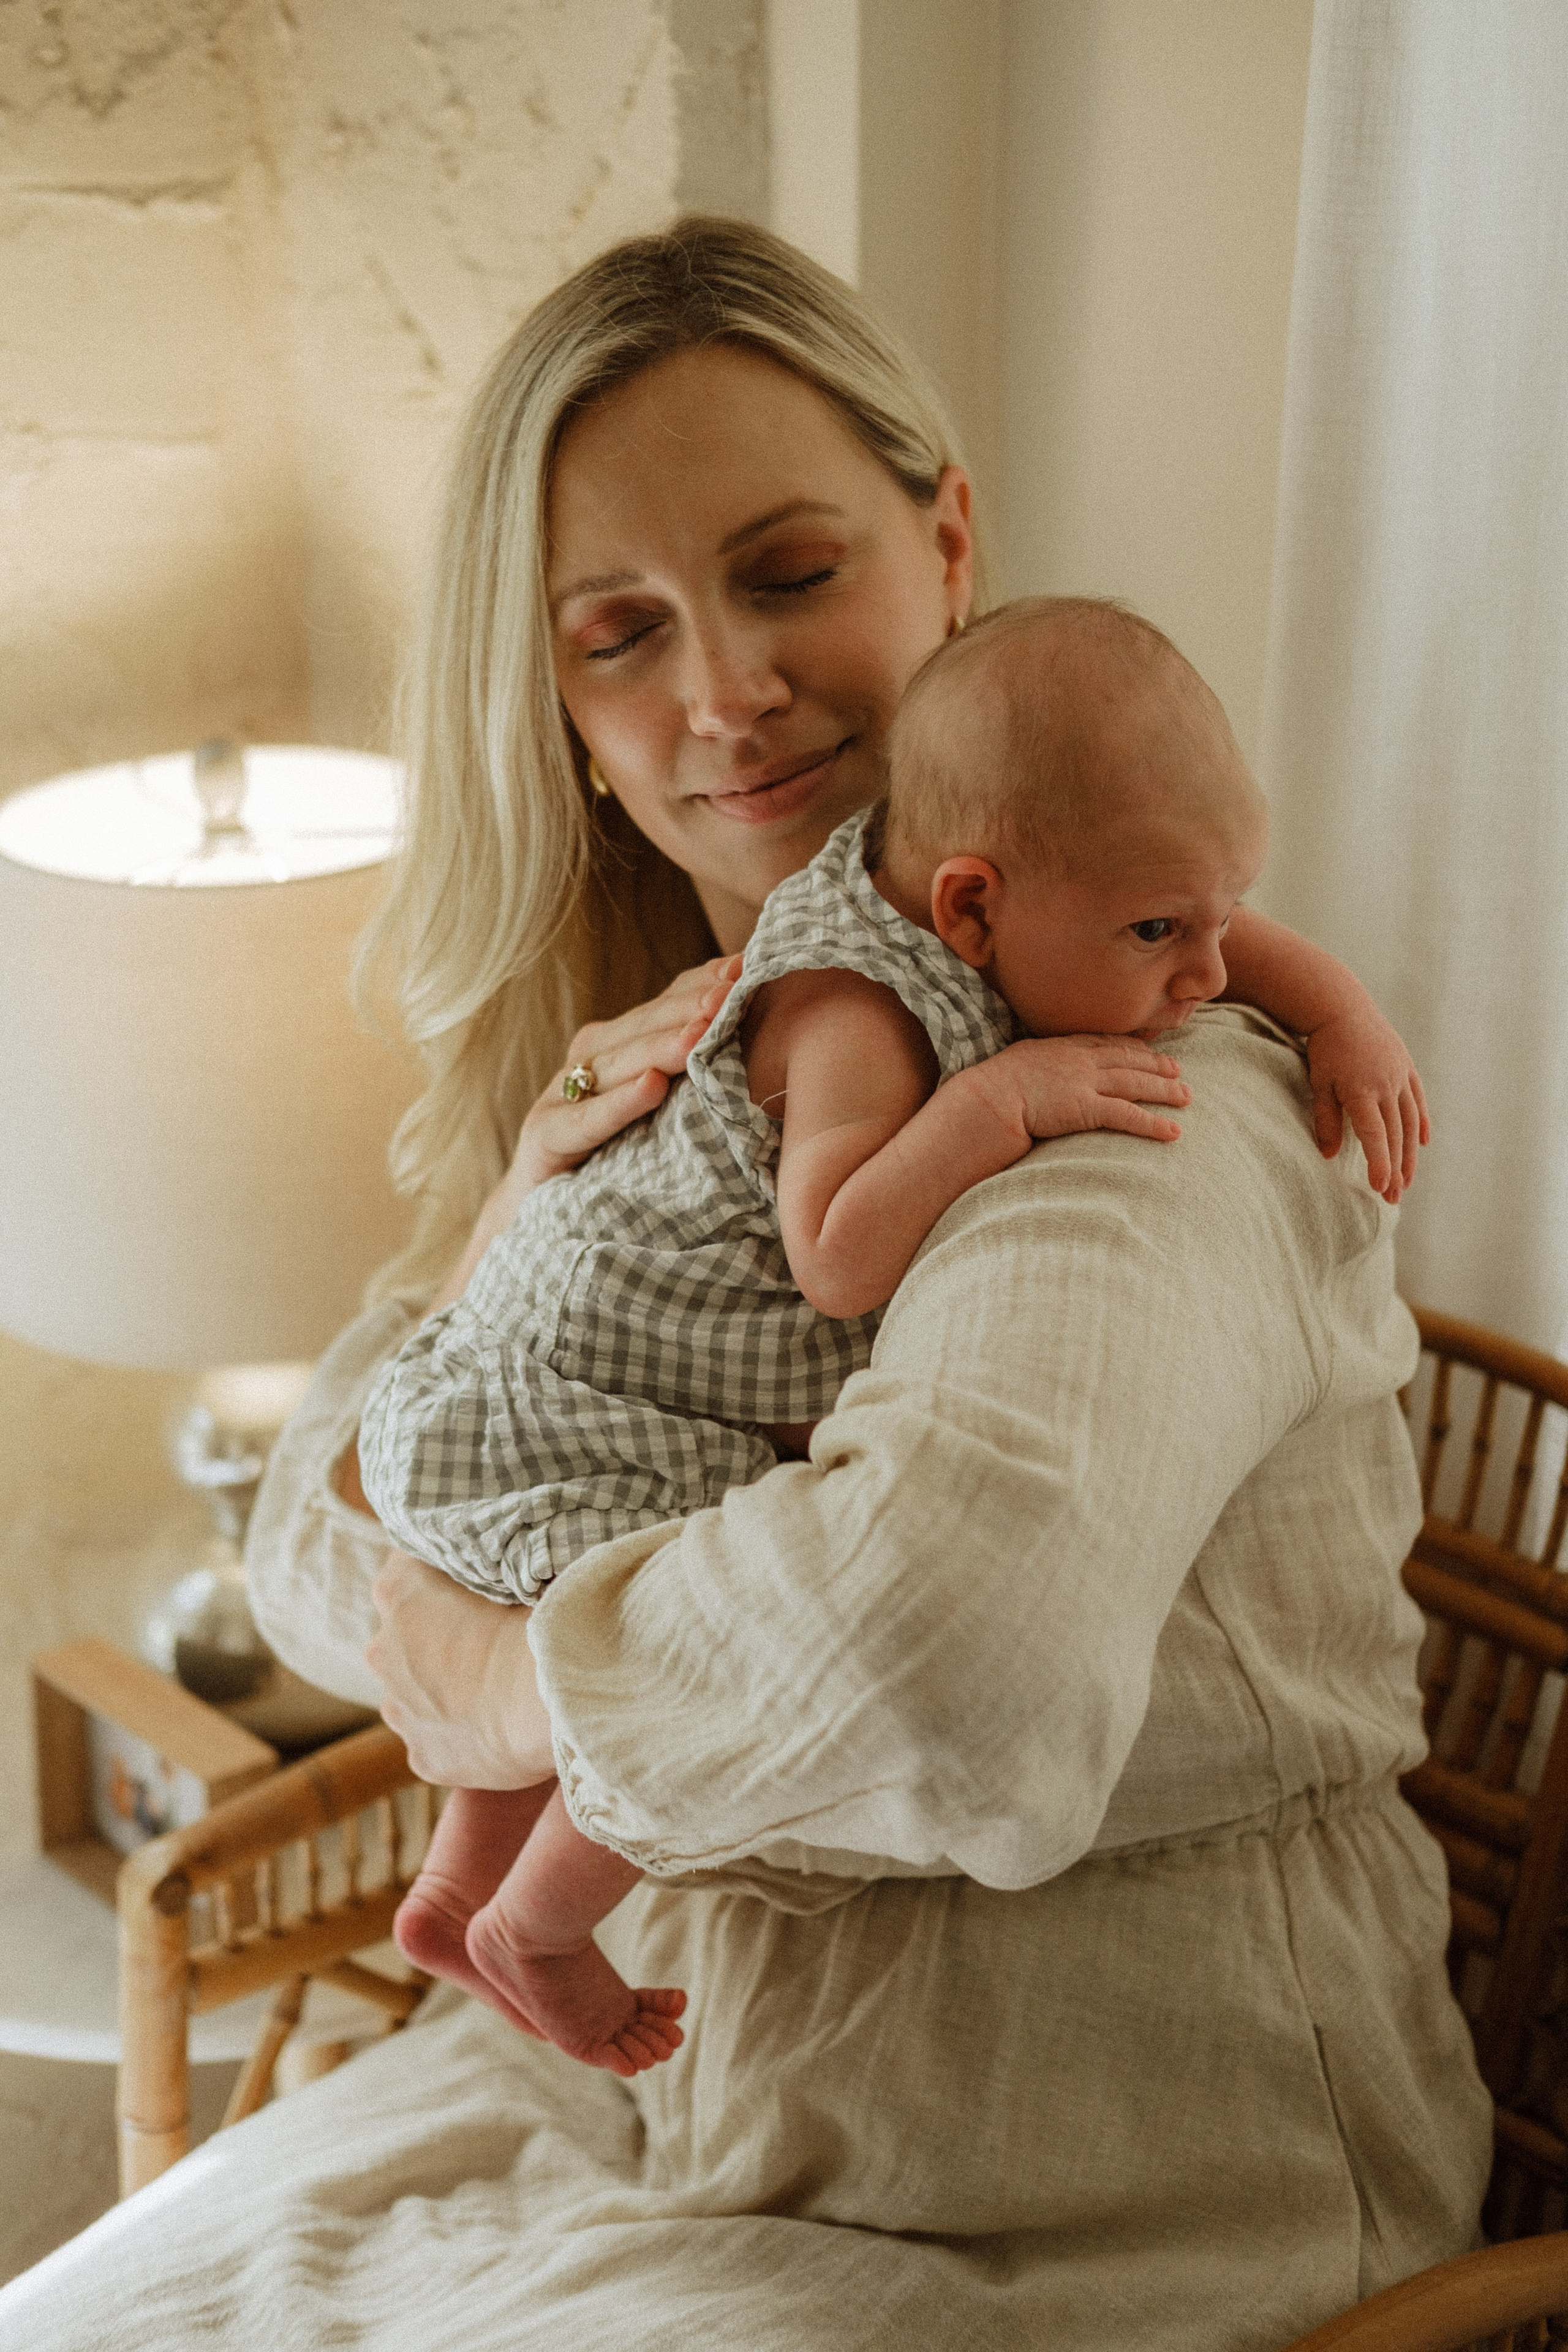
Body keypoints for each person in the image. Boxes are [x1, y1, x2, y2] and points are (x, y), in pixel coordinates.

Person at [0, 220, 1487, 2352]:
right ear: (563, 703)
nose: (722, 694)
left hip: (1093, 2196)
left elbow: (938, 1654)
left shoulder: (1146, 1097)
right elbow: (349, 1503)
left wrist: (508, 1676)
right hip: (651, 2109)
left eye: (790, 576)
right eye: (620, 635)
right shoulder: (668, 1061)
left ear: (946, 539)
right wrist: (512, 1233)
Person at [358, 593, 1428, 2081]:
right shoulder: (856, 1011)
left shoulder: (1050, 873)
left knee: (555, 1641)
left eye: (1218, 919)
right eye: (1158, 935)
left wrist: (1345, 1018)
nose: (1201, 979)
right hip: (579, 1394)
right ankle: (536, 1925)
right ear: (974, 909)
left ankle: (453, 1888)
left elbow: (1211, 929)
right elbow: (838, 1254)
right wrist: (989, 1109)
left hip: (533, 1376)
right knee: (653, 1628)